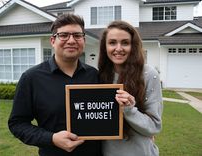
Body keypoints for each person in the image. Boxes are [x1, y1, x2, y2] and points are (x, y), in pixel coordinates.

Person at [8, 14, 102, 156]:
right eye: (63, 35)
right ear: (53, 40)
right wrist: (51, 138)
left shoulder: (95, 75)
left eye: (77, 35)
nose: (71, 40)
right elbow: (17, 123)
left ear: (84, 40)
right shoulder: (31, 78)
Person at [98, 20, 163, 156]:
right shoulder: (99, 76)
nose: (119, 48)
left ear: (133, 46)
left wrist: (129, 109)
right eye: (112, 42)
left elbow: (153, 127)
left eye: (125, 43)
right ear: (105, 47)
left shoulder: (149, 75)